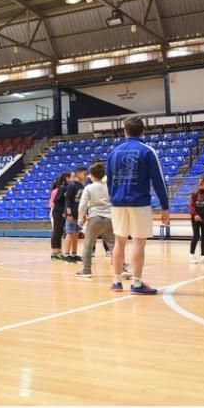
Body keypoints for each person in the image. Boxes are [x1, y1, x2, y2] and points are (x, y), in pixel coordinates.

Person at [106, 117, 170, 295]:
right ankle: (136, 283)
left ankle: (116, 281)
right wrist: (165, 206)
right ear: (143, 131)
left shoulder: (113, 152)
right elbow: (159, 181)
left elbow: (109, 181)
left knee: (119, 242)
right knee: (138, 243)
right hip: (139, 202)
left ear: (124, 131)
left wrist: (115, 199)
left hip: (117, 203)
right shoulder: (148, 151)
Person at [75, 162, 127, 280]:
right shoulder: (110, 186)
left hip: (95, 218)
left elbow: (82, 205)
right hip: (110, 218)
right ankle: (122, 268)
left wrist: (80, 219)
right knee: (114, 245)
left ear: (91, 175)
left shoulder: (89, 187)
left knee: (88, 244)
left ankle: (86, 270)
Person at [63, 166, 88, 263]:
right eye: (84, 174)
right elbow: (68, 199)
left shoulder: (82, 186)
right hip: (71, 213)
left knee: (76, 233)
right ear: (78, 174)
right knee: (69, 233)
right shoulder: (72, 185)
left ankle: (74, 253)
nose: (85, 176)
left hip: (78, 214)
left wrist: (84, 214)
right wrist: (68, 213)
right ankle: (66, 254)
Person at [49, 172, 71, 261]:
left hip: (61, 212)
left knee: (60, 232)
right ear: (66, 178)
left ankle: (59, 251)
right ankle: (54, 253)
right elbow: (55, 201)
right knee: (56, 231)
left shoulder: (66, 188)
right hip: (56, 212)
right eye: (72, 177)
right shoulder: (60, 189)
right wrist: (61, 211)